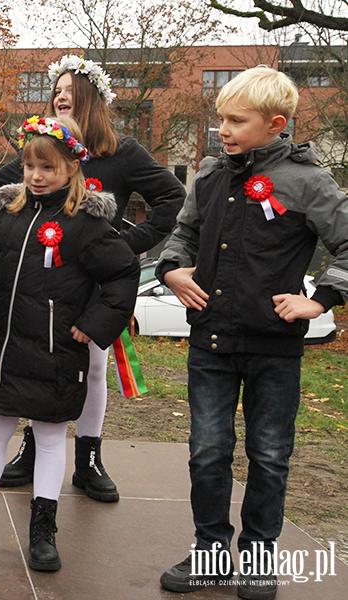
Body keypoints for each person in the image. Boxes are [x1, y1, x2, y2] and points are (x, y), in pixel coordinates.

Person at [156, 66, 348, 599]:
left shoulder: (308, 181)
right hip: (211, 344)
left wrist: (320, 300)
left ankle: (258, 559)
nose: (223, 129)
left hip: (273, 350)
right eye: (220, 118)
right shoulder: (213, 175)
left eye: (237, 121)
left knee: (268, 456)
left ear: (275, 123)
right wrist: (172, 269)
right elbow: (183, 235)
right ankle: (211, 555)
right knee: (207, 452)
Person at [0, 116, 138, 571]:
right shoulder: (10, 215)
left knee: (50, 435)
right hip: (6, 348)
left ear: (73, 167)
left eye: (48, 168)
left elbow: (121, 273)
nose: (37, 176)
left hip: (57, 351)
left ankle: (43, 527)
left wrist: (96, 322)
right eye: (30, 167)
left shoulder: (87, 224)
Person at [0, 55, 185, 500]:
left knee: (92, 368)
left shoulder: (123, 152)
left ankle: (88, 458)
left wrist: (125, 244)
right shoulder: (38, 149)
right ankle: (32, 450)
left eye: (70, 90)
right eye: (56, 89)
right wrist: (20, 234)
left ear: (91, 99)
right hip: (39, 282)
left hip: (93, 285)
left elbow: (173, 197)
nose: (60, 95)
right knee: (39, 363)